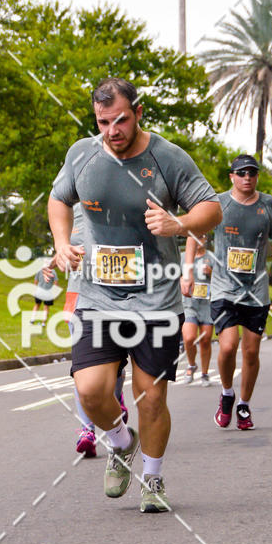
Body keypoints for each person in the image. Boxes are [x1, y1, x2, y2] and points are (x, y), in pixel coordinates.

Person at [48, 77, 221, 512]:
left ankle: (153, 479)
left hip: (156, 299)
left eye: (121, 120)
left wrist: (179, 224)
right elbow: (57, 199)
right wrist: (61, 242)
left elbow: (212, 208)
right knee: (90, 390)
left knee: (152, 396)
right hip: (98, 296)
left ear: (139, 112)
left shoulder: (166, 158)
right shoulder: (82, 155)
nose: (112, 131)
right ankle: (122, 443)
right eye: (103, 122)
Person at [209, 154, 272, 430]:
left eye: (252, 173)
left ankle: (243, 404)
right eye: (241, 173)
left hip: (256, 290)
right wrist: (187, 270)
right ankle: (227, 393)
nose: (247, 178)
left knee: (251, 352)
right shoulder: (217, 203)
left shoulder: (268, 204)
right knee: (229, 346)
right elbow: (198, 233)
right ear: (231, 176)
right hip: (223, 287)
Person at [44, 204, 128, 459]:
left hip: (114, 298)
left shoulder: (119, 201)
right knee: (82, 369)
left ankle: (116, 400)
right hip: (78, 297)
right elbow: (63, 246)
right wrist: (51, 263)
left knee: (114, 369)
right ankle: (87, 431)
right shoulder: (71, 209)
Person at [180, 234, 213, 385]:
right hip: (189, 304)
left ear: (205, 239)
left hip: (206, 304)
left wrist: (211, 273)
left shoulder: (211, 257)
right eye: (196, 236)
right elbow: (175, 275)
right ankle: (192, 364)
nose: (199, 239)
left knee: (206, 340)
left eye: (202, 236)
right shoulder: (183, 257)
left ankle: (205, 374)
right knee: (189, 338)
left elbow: (223, 278)